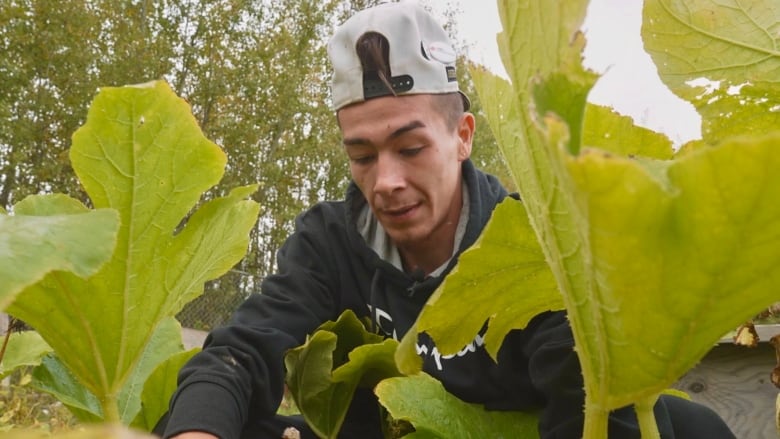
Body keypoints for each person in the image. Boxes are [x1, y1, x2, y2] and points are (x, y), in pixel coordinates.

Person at [156, 2, 735, 438]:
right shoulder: (329, 241)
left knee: (688, 427)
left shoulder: (532, 242)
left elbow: (585, 395)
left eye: (410, 149)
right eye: (362, 156)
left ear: (462, 137)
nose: (384, 181)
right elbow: (243, 351)